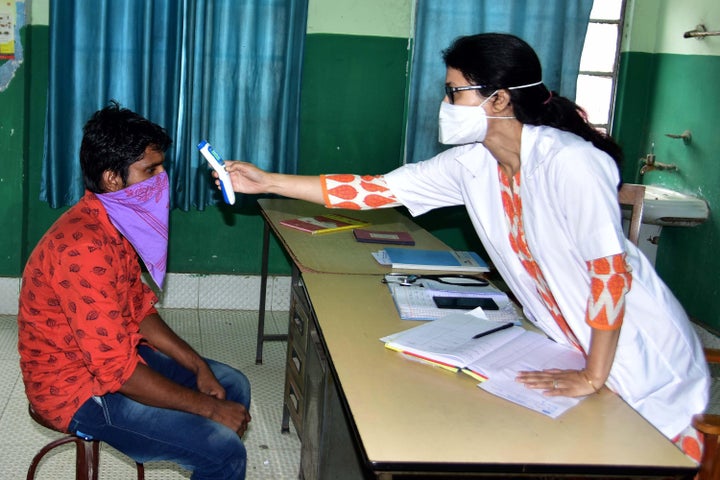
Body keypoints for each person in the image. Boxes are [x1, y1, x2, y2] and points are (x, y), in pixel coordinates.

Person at [217, 33, 709, 460]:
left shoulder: (571, 163)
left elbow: (609, 271)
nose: (446, 103)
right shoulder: (472, 164)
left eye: (455, 92)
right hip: (570, 341)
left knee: (641, 453)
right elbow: (374, 190)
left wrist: (594, 375)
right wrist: (269, 183)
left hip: (634, 352)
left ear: (498, 99)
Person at [18, 101, 252, 479]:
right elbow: (118, 374)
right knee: (222, 449)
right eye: (151, 170)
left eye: (162, 168)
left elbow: (139, 311)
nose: (162, 179)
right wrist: (207, 410)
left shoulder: (116, 222)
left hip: (112, 364)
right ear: (113, 178)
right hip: (75, 390)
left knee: (228, 384)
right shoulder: (81, 247)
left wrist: (198, 366)